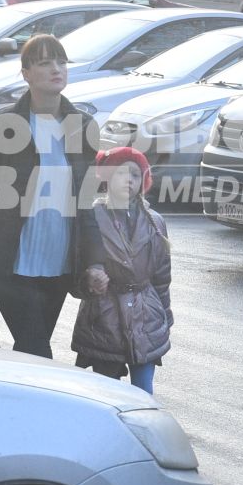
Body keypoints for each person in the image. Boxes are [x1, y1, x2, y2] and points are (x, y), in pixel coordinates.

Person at [0, 33, 99, 357]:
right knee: (36, 347)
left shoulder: (83, 125)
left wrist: (95, 262)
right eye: (45, 62)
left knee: (31, 348)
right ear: (25, 73)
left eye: (61, 62)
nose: (57, 69)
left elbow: (87, 205)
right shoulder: (3, 124)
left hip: (60, 263)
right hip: (12, 262)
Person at [70, 147, 172, 393]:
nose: (129, 180)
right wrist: (87, 282)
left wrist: (165, 316)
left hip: (146, 317)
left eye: (136, 175)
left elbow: (161, 276)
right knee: (107, 393)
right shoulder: (91, 218)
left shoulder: (154, 222)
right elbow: (74, 269)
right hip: (104, 319)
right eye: (121, 173)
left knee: (144, 393)